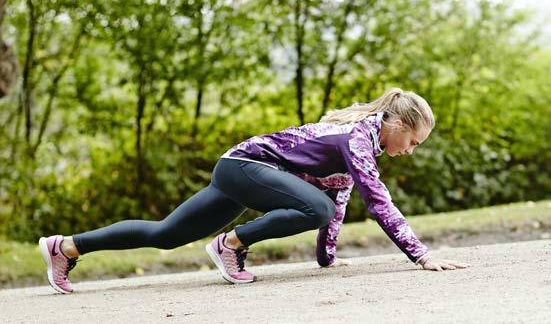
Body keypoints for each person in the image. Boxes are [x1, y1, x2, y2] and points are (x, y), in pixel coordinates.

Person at [38, 87, 470, 294]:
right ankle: (230, 245)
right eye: (412, 142)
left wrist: (326, 260)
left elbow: (337, 204)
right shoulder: (358, 138)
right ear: (396, 125)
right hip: (246, 168)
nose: (410, 151)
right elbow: (376, 203)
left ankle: (66, 247)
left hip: (239, 171)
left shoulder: (360, 148)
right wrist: (422, 255)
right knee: (313, 207)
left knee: (165, 234)